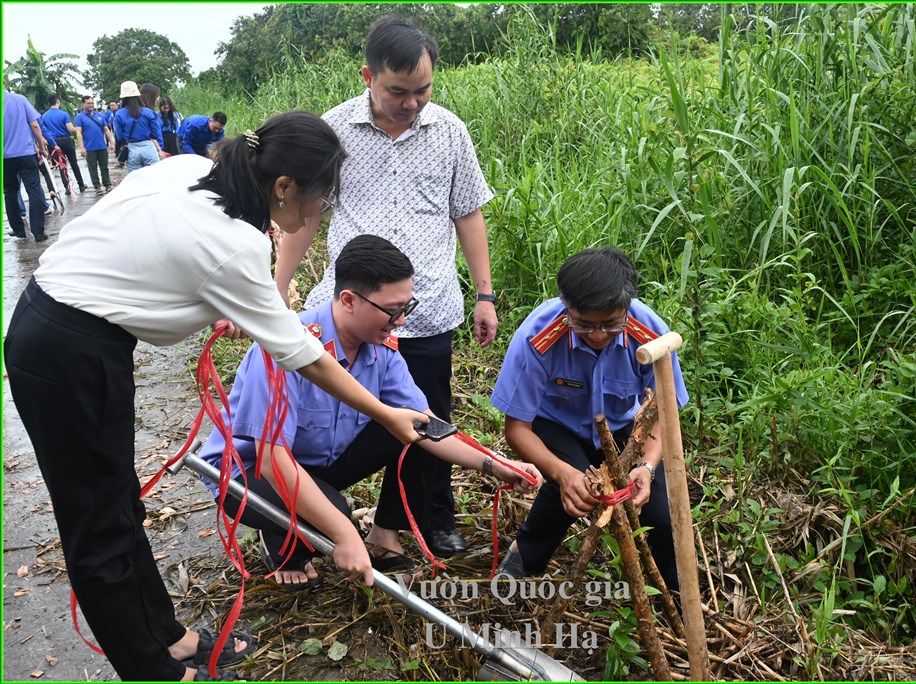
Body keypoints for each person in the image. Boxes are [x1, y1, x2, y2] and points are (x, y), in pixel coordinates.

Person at [4, 110, 428, 681]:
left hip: (71, 331)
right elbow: (305, 355)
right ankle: (149, 669)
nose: (318, 213)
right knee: (96, 525)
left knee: (120, 499)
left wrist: (197, 297)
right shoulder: (233, 246)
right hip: (68, 350)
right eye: (320, 198)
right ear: (283, 187)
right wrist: (384, 414)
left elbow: (142, 247)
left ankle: (168, 637)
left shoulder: (187, 168)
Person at [274, 16, 498, 559]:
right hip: (353, 311)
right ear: (368, 76)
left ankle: (415, 521)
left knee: (427, 417)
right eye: (399, 91)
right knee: (344, 415)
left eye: (423, 90)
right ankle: (305, 509)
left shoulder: (449, 130)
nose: (412, 103)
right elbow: (305, 217)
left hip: (427, 307)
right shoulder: (334, 130)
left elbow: (468, 214)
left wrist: (485, 294)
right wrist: (276, 290)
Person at [198, 235, 540, 585]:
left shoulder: (382, 352)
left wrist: (494, 463)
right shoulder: (283, 349)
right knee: (334, 517)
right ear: (348, 299)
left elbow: (426, 424)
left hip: (317, 466)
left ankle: (381, 534)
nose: (402, 321)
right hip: (248, 472)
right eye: (393, 311)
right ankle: (283, 544)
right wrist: (344, 533)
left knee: (421, 433)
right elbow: (272, 462)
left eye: (407, 307)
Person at [491, 247, 688, 591]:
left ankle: (675, 590)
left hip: (621, 425)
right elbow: (517, 429)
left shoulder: (650, 332)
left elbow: (664, 414)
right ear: (565, 305)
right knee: (576, 484)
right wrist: (561, 473)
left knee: (657, 512)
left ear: (627, 308)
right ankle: (524, 555)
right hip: (554, 425)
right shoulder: (537, 337)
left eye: (610, 324)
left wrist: (647, 466)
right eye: (583, 324)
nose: (597, 335)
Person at [3, 88, 51, 241]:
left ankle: (19, 230)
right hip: (26, 154)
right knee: (34, 190)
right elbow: (35, 125)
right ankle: (38, 232)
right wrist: (41, 148)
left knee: (10, 192)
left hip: (4, 158)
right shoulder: (19, 99)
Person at [39, 93, 87, 194]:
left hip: (54, 143)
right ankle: (81, 185)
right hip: (66, 140)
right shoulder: (64, 114)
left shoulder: (44, 116)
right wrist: (77, 130)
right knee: (74, 163)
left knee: (61, 164)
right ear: (58, 102)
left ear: (49, 103)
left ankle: (67, 188)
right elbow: (70, 128)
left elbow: (43, 131)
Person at [113, 80, 163, 173]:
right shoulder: (148, 112)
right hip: (148, 148)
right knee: (155, 176)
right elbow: (155, 134)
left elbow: (119, 136)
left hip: (132, 150)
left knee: (135, 180)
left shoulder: (119, 114)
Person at [74, 95, 115, 193]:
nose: (91, 105)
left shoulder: (100, 116)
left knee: (104, 166)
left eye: (92, 103)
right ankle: (97, 186)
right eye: (88, 103)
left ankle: (107, 184)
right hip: (89, 147)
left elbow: (106, 130)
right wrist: (82, 148)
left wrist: (112, 142)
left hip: (101, 146)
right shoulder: (80, 117)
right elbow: (78, 133)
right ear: (83, 104)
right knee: (92, 168)